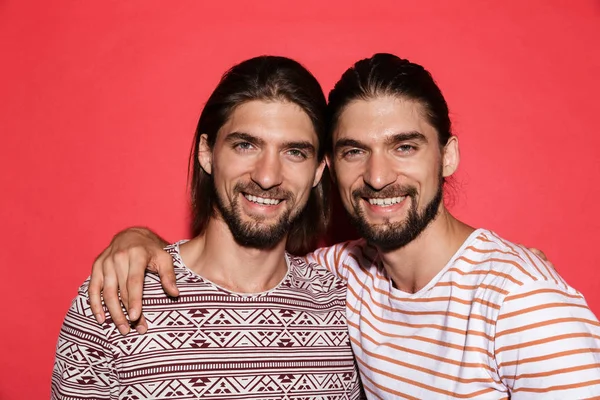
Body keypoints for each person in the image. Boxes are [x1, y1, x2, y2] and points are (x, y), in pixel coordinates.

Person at [88, 54, 600, 398]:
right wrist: (137, 237)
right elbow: (252, 264)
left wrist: (524, 278)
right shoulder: (346, 280)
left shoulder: (520, 302)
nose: (378, 177)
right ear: (330, 170)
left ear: (447, 156)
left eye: (404, 146)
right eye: (355, 151)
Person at [51, 56, 364, 400]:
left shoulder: (341, 305)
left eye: (294, 152)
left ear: (319, 171)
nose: (267, 176)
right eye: (246, 145)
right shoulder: (116, 297)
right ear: (206, 152)